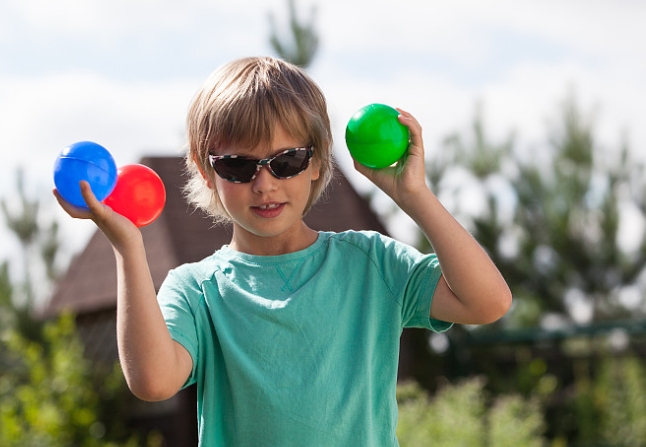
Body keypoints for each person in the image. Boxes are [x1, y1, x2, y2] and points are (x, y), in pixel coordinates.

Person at [54, 56, 512, 446]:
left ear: (317, 161)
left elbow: (487, 302)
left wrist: (415, 197)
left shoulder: (372, 265)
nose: (265, 183)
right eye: (237, 165)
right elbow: (153, 382)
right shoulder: (197, 290)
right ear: (205, 170)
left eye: (286, 160)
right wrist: (128, 249)